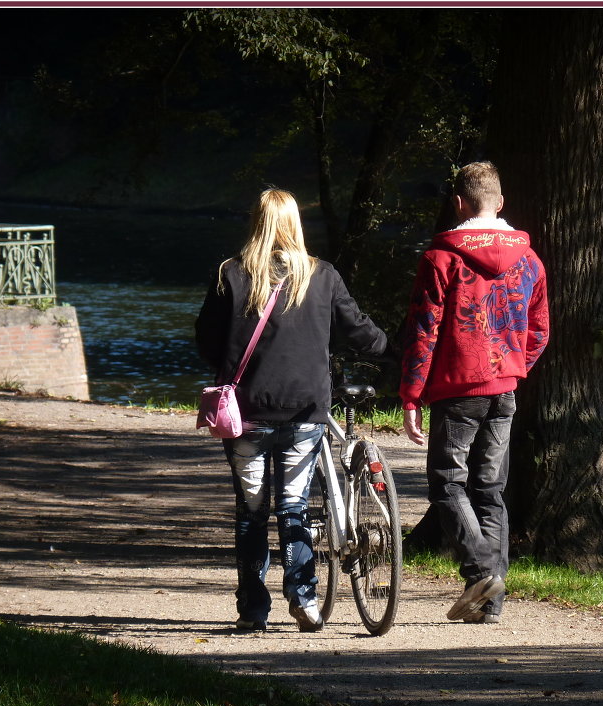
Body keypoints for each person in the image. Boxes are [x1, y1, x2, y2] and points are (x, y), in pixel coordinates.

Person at [195, 188, 387, 633]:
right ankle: (303, 598)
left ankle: (253, 610)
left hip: (246, 414)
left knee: (252, 510)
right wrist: (391, 351)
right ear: (296, 223)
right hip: (305, 411)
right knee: (294, 506)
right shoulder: (321, 276)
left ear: (256, 222)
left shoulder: (231, 275)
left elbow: (206, 339)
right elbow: (358, 330)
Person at [399, 161, 549, 624]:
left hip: (458, 388)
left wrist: (410, 396)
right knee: (489, 489)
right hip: (505, 387)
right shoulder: (529, 259)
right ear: (500, 203)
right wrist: (513, 366)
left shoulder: (441, 258)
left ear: (459, 204)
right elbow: (539, 331)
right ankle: (490, 603)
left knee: (447, 482)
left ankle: (483, 572)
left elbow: (425, 332)